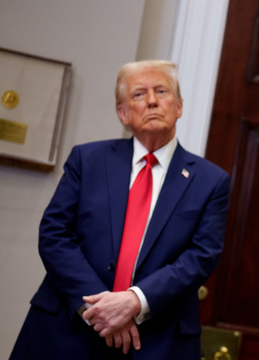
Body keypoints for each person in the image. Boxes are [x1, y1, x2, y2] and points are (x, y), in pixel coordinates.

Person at [11, 60, 231, 359]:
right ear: (122, 113)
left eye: (162, 91)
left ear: (178, 106)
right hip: (67, 330)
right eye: (139, 94)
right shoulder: (86, 160)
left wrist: (134, 301)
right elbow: (54, 235)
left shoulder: (211, 181)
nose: (152, 100)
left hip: (155, 341)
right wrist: (100, 310)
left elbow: (200, 256)